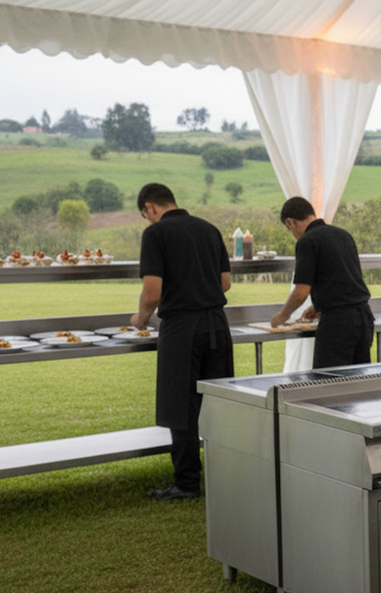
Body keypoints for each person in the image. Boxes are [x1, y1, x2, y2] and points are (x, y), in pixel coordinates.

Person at [129, 183, 233, 500]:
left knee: (182, 406)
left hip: (182, 327)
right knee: (218, 403)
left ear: (150, 208)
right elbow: (225, 283)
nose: (148, 221)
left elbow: (152, 292)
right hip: (217, 323)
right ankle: (225, 475)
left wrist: (140, 318)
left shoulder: (156, 235)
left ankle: (187, 483)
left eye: (146, 216)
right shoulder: (209, 229)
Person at [270, 197, 374, 368]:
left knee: (328, 384)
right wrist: (319, 305)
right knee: (357, 384)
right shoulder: (343, 235)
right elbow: (344, 280)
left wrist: (283, 315)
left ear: (290, 222)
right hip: (364, 318)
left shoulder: (307, 241)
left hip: (338, 324)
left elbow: (301, 291)